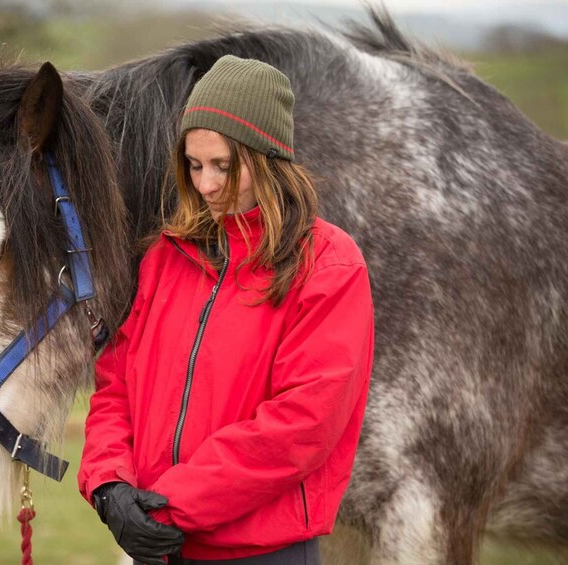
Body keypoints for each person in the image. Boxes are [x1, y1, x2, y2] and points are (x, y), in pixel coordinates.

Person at [78, 55, 374, 565]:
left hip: (261, 553)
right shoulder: (165, 258)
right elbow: (116, 387)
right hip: (158, 546)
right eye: (194, 165)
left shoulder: (328, 264)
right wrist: (108, 484)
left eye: (223, 167)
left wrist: (169, 507)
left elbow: (302, 425)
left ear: (266, 162)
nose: (206, 185)